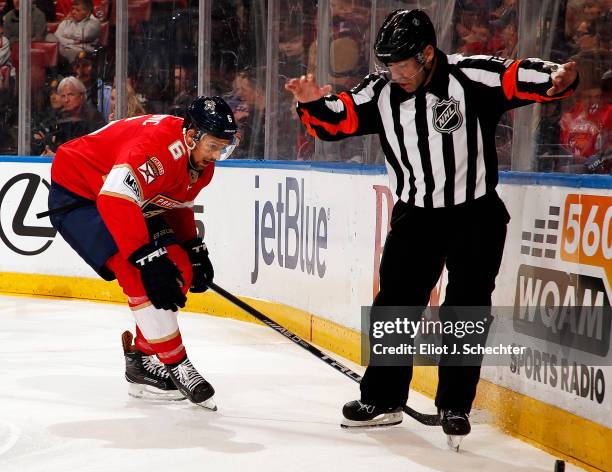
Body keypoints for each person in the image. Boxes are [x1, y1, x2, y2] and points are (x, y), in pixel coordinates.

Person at [285, 9, 578, 442]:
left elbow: (523, 76)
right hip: (416, 217)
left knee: (466, 309)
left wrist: (558, 79)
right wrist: (311, 101)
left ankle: (455, 404)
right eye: (387, 64)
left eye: (402, 64)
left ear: (426, 54)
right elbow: (339, 117)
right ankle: (383, 399)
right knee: (395, 308)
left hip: (474, 215)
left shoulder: (469, 75)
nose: (394, 74)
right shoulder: (382, 90)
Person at [46, 96, 239, 407]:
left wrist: (192, 246)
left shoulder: (200, 162)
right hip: (82, 196)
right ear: (192, 137)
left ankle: (142, 361)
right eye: (214, 146)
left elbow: (176, 202)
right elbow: (113, 200)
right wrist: (146, 257)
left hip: (121, 196)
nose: (217, 155)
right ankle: (177, 364)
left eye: (225, 148)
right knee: (137, 273)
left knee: (179, 270)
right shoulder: (158, 153)